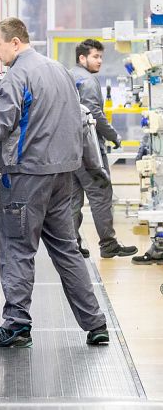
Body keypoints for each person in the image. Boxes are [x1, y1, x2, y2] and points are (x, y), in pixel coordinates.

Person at [0, 17, 109, 348]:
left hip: (27, 177)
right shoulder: (58, 69)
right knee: (67, 250)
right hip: (62, 176)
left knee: (17, 248)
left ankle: (16, 324)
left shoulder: (17, 76)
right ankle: (96, 323)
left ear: (15, 42)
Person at [69, 39, 138, 259]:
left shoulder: (69, 76)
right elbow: (94, 115)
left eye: (101, 57)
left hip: (69, 149)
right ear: (83, 58)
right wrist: (114, 136)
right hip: (88, 149)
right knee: (101, 193)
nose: (99, 61)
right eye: (95, 56)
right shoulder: (88, 81)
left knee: (73, 198)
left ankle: (72, 245)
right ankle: (108, 245)